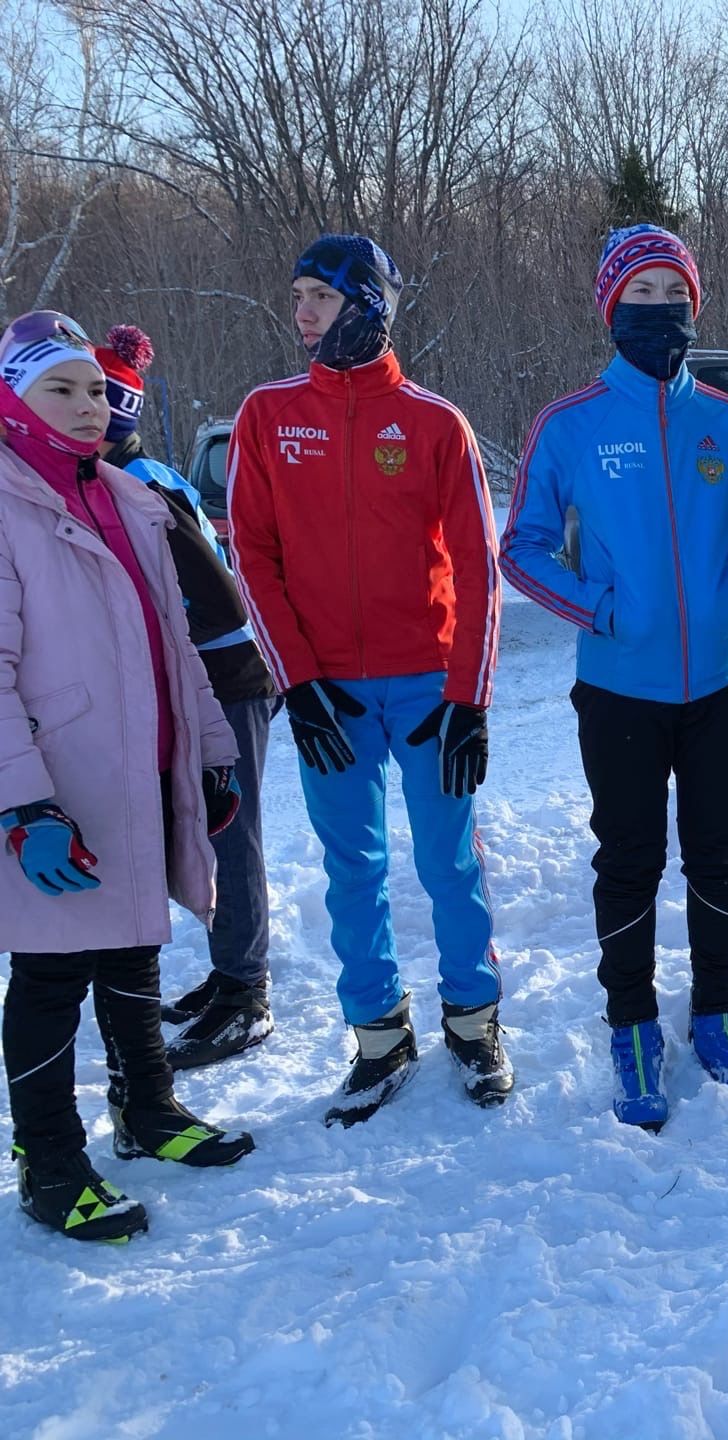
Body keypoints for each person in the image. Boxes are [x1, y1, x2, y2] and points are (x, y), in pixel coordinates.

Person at [227, 234, 508, 1126]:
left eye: (319, 295)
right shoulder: (266, 416)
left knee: (448, 862)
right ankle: (379, 1035)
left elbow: (478, 567)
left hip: (428, 685)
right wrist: (297, 683)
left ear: (367, 305)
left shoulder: (435, 423)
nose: (302, 312)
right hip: (329, 695)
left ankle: (474, 1022)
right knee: (353, 867)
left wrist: (470, 697)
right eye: (299, 294)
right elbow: (254, 557)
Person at [502, 224, 728, 1130]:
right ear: (612, 308)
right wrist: (602, 609)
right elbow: (523, 548)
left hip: (720, 686)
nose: (660, 309)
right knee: (628, 861)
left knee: (717, 857)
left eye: (674, 293)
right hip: (619, 687)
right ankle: (632, 1024)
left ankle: (714, 1014)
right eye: (641, 294)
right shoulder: (571, 424)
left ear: (695, 305)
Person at [1, 311, 254, 1243]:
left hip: (139, 769)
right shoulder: (8, 502)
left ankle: (146, 1112)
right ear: (13, 400)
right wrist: (22, 805)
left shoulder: (130, 497)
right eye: (57, 389)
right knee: (52, 973)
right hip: (57, 786)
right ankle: (50, 1160)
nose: (83, 406)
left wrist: (213, 753)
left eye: (95, 390)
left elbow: (174, 644)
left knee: (134, 947)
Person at [94, 324, 283, 1069]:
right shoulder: (129, 477)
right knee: (207, 830)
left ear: (115, 415)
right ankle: (229, 973)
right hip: (198, 681)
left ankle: (248, 995)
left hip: (227, 679)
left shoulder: (141, 487)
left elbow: (220, 602)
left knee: (230, 832)